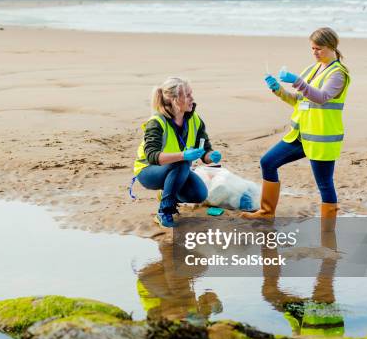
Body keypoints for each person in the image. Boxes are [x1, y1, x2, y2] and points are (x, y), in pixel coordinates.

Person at [242, 27, 350, 221]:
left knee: (325, 184)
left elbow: (322, 98)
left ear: (332, 46)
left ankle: (328, 229)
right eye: (312, 48)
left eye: (319, 48)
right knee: (268, 162)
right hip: (300, 135)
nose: (315, 52)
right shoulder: (312, 69)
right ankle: (266, 213)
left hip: (321, 139)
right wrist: (278, 90)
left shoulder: (338, 74)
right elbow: (299, 100)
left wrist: (297, 81)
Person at [133, 77, 222, 228]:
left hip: (176, 168)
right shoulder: (156, 122)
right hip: (148, 170)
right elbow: (152, 156)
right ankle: (164, 211)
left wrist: (210, 156)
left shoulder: (195, 120)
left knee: (200, 194)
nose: (192, 99)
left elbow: (205, 149)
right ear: (175, 100)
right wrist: (183, 156)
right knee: (182, 163)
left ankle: (167, 194)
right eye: (187, 95)